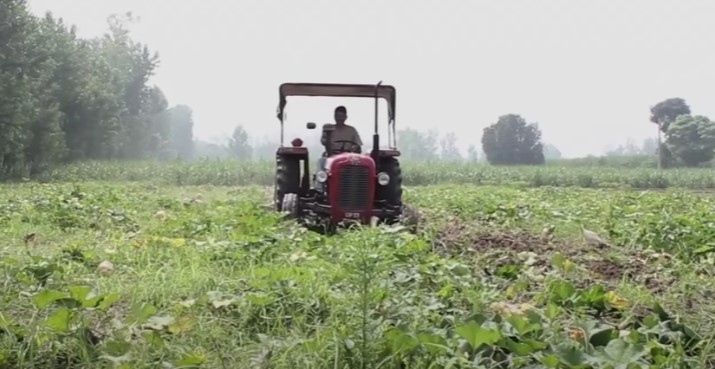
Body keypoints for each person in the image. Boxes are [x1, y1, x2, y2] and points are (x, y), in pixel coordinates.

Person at [315, 106, 362, 189]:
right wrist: (326, 133)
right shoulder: (329, 128)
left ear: (345, 117)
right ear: (334, 116)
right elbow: (323, 142)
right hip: (332, 155)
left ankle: (359, 187)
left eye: (341, 116)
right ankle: (319, 188)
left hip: (348, 156)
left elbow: (358, 145)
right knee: (321, 161)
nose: (339, 119)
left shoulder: (351, 130)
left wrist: (354, 147)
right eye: (337, 116)